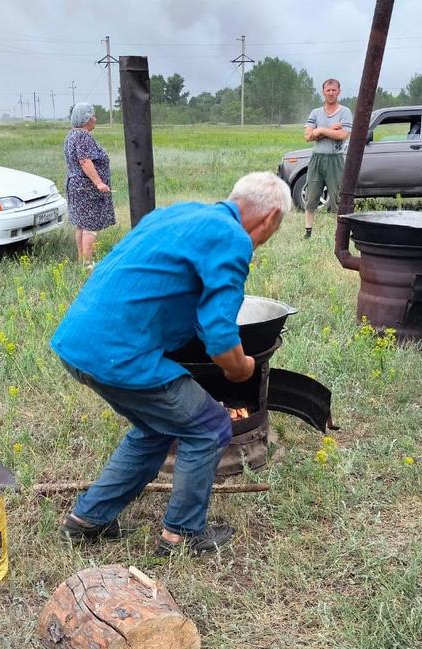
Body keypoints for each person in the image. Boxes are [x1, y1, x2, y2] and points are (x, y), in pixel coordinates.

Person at [51, 172, 292, 556]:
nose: (264, 240)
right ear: (270, 218)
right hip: (121, 354)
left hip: (79, 343)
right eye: (271, 232)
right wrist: (240, 368)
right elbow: (219, 335)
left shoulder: (179, 214)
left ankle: (87, 520)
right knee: (210, 426)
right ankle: (182, 534)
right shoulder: (232, 239)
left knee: (154, 430)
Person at [64, 102, 115, 266]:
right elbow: (85, 161)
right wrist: (99, 183)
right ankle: (87, 264)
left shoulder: (72, 135)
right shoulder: (83, 136)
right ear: (86, 119)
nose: (95, 118)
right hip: (86, 188)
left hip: (75, 185)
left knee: (81, 225)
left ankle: (81, 262)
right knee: (90, 225)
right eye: (92, 115)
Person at [302, 78, 352, 240]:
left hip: (335, 159)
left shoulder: (345, 112)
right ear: (323, 92)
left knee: (339, 198)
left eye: (334, 90)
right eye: (328, 90)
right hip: (317, 159)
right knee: (311, 197)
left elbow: (343, 135)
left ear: (339, 91)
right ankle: (308, 232)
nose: (331, 93)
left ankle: (342, 234)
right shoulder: (315, 113)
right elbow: (308, 136)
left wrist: (320, 131)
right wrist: (329, 129)